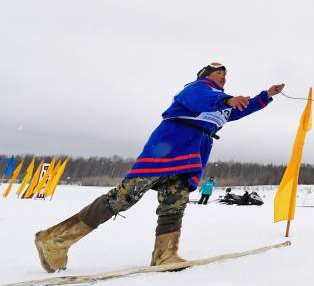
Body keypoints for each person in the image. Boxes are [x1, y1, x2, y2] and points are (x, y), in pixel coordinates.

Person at [34, 62, 284, 272]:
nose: (224, 76)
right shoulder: (197, 89)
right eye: (219, 72)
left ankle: (164, 255)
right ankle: (55, 240)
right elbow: (202, 99)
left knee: (174, 204)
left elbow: (242, 108)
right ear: (206, 75)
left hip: (190, 158)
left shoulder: (221, 103)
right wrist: (228, 98)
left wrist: (266, 96)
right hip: (166, 151)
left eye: (225, 74)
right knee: (121, 199)